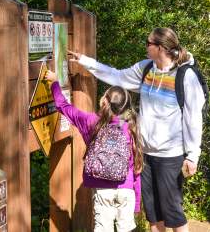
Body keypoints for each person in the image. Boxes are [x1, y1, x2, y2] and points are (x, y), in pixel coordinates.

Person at [68, 27, 205, 232]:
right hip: (144, 153)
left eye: (148, 43)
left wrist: (193, 155)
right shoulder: (146, 68)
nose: (146, 47)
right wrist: (85, 61)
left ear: (160, 48)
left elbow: (193, 118)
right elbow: (116, 76)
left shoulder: (185, 76)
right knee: (152, 212)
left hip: (171, 155)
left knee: (172, 211)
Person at [45, 70, 143, 232]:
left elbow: (63, 106)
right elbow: (136, 167)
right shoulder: (131, 127)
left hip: (102, 189)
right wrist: (137, 201)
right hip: (126, 189)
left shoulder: (91, 122)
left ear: (104, 101)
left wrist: (55, 83)